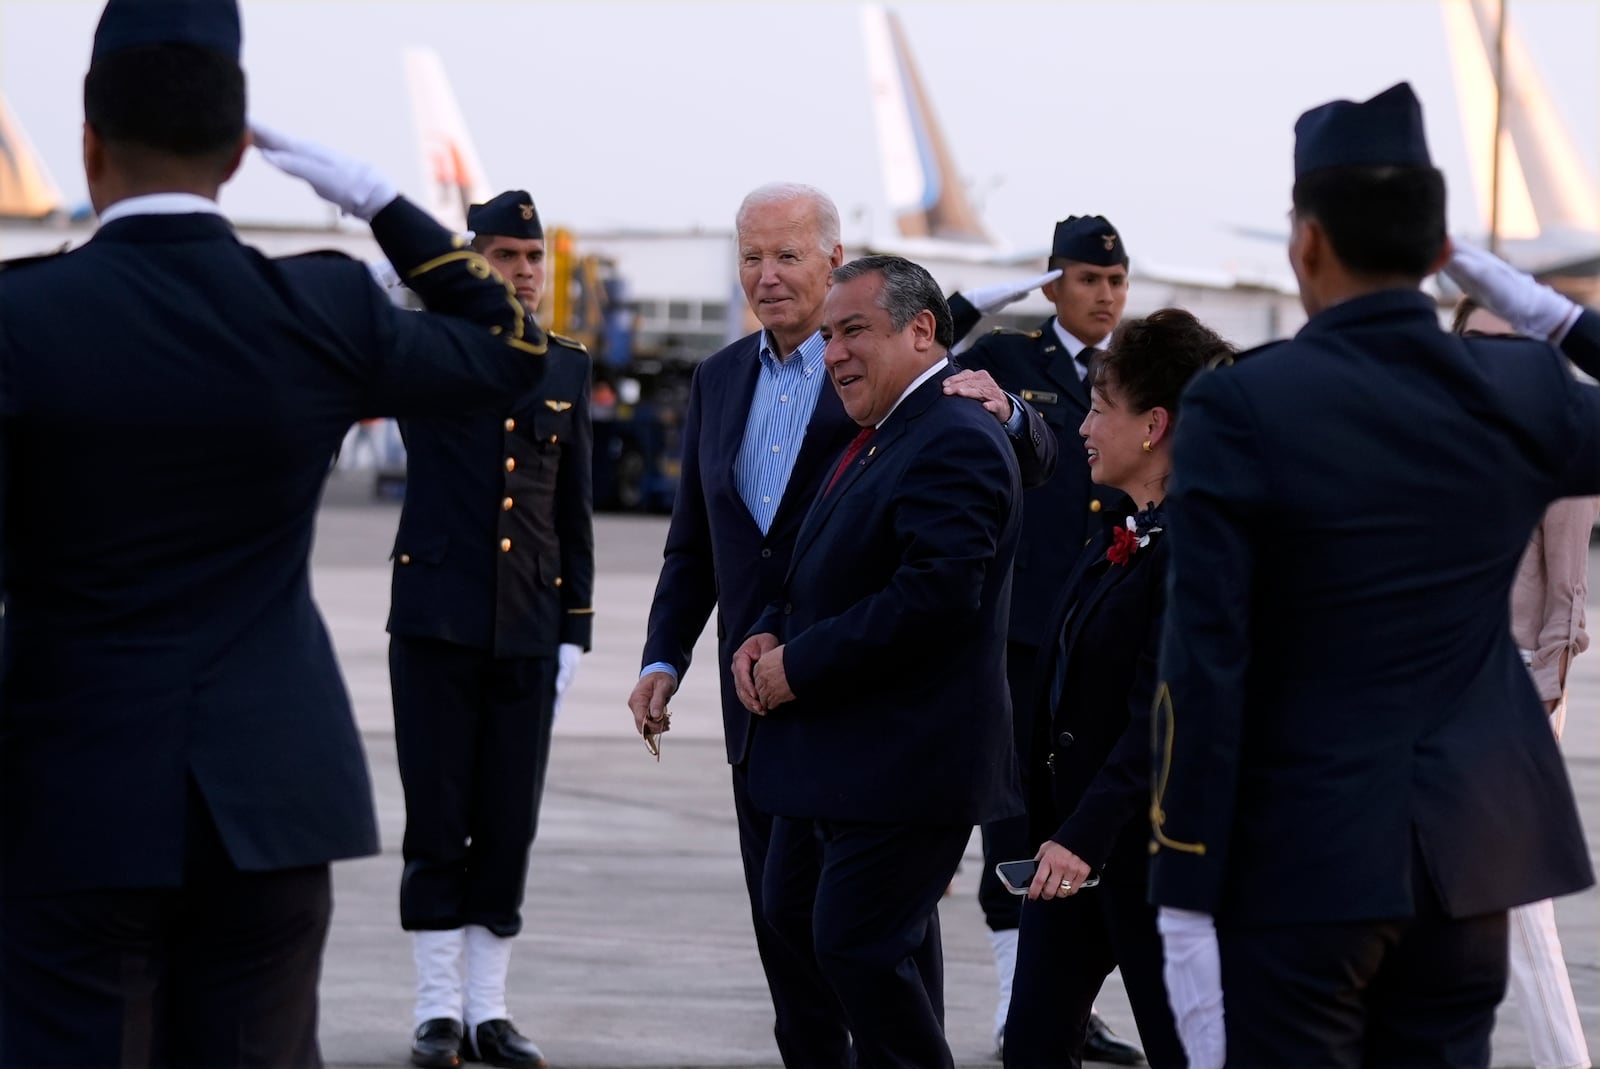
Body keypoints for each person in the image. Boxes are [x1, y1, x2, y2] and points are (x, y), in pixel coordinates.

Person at [0, 0, 549, 1064]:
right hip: (274, 799)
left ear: (88, 145)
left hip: (69, 786)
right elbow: (518, 352)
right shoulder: (321, 307)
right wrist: (384, 202)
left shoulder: (24, 317)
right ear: (240, 153)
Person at [1149, 81, 1597, 1069]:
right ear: (1442, 253)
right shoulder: (1521, 388)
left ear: (1306, 243)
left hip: (1302, 862)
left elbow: (1203, 661)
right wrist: (1561, 323)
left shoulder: (1242, 404)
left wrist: (1182, 880)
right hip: (1468, 864)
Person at [627, 184, 1055, 1067]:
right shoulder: (721, 379)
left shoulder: (913, 394)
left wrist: (1014, 412)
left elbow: (1011, 477)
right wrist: (673, 651)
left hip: (879, 722)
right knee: (793, 936)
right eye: (751, 257)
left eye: (786, 256)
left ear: (833, 262)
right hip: (766, 706)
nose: (767, 275)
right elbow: (698, 546)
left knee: (871, 945)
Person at [731, 254, 1023, 1069]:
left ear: (922, 331)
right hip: (837, 753)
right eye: (828, 336)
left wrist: (801, 664)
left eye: (854, 330)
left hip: (907, 756)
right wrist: (765, 629)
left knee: (856, 944)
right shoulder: (880, 434)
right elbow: (816, 562)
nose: (833, 354)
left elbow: (935, 597)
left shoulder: (954, 435)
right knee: (795, 915)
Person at [389, 189, 593, 1069]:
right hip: (435, 621)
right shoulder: (429, 353)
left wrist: (575, 626)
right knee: (438, 818)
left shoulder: (567, 365)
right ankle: (437, 1010)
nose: (522, 273)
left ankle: (489, 1010)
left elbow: (572, 509)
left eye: (531, 258)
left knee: (508, 822)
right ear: (473, 263)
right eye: (504, 257)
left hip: (527, 623)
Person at [1003, 309, 1231, 1069]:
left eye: (1101, 409)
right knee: (1033, 1046)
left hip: (1147, 860)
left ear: (1153, 425)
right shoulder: (1124, 536)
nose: (1084, 428)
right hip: (1070, 855)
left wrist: (1084, 834)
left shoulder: (1197, 549)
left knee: (1185, 1052)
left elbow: (1161, 714)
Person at [949, 214, 1143, 1064]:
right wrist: (993, 296)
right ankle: (1012, 997)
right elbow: (923, 351)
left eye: (1116, 281)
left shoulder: (1135, 369)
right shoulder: (1013, 358)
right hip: (1027, 630)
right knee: (1017, 813)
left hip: (1109, 631)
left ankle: (1071, 1001)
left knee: (1092, 811)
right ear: (1054, 282)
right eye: (1089, 279)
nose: (1105, 295)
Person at [1454, 296, 1595, 1069]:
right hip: (1431, 684)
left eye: (1507, 345)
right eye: (1473, 340)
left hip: (1516, 688)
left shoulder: (1559, 447)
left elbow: (1568, 604)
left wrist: (1542, 708)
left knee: (1516, 894)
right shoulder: (1438, 437)